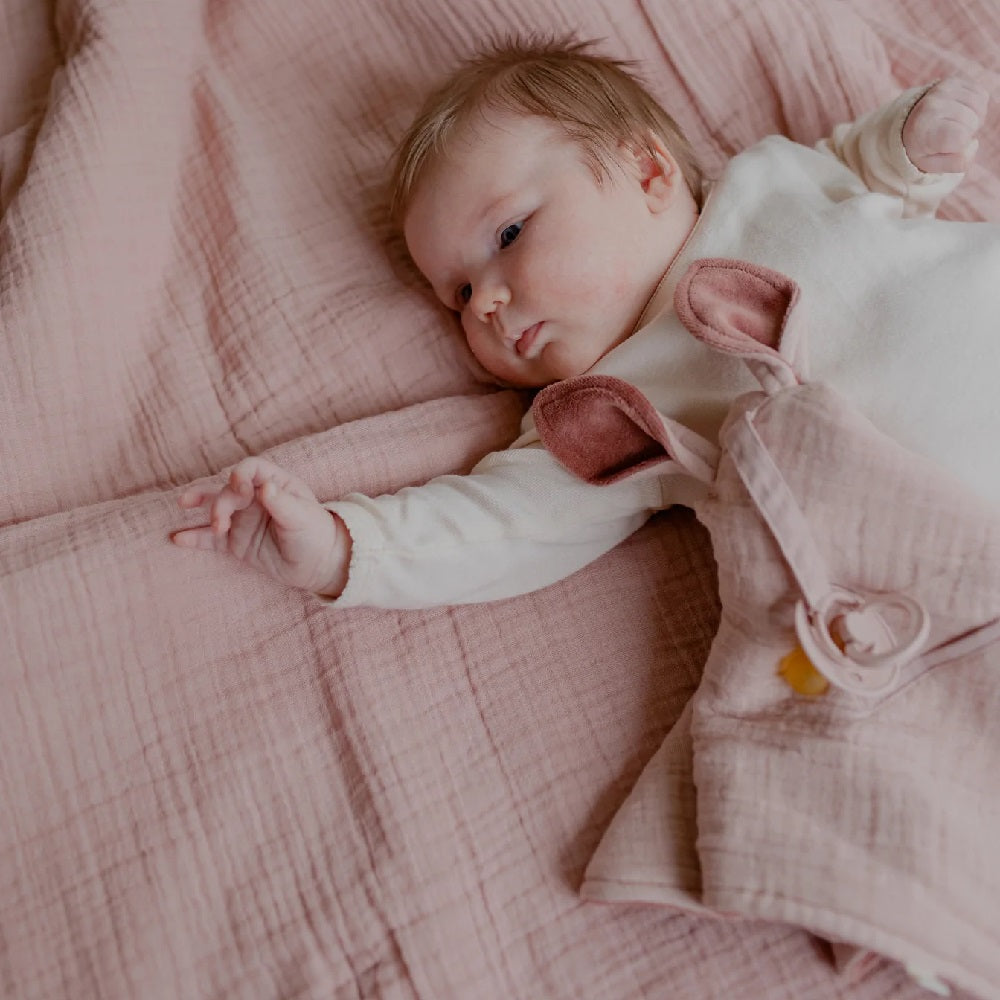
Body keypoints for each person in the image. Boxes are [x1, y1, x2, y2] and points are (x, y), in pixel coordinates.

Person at [171, 36, 995, 608]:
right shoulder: (611, 412)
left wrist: (910, 143)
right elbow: (499, 524)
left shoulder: (768, 177)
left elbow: (858, 173)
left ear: (647, 172)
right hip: (954, 540)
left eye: (507, 235)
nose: (484, 303)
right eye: (457, 295)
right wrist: (338, 549)